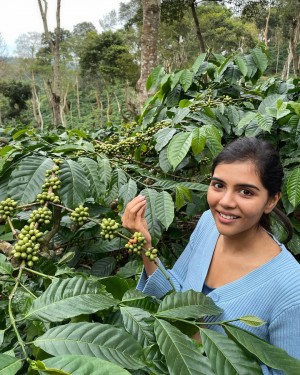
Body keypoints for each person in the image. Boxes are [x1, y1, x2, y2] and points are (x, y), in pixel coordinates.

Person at [122, 136, 300, 375]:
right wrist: (146, 247)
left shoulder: (291, 288)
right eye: (218, 185)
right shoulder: (208, 224)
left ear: (271, 200)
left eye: (245, 192)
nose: (225, 202)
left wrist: (207, 343)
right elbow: (176, 296)